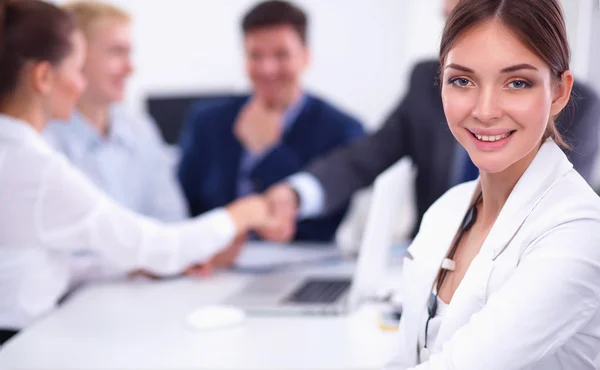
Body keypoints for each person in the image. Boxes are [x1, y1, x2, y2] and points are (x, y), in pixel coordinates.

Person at [0, 0, 278, 345]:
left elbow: (52, 264)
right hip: (20, 341)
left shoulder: (17, 151)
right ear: (43, 76)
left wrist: (137, 263)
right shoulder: (37, 166)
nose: (78, 83)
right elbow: (157, 245)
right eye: (74, 67)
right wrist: (243, 213)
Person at [261, 0, 600, 243]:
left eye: (517, 83)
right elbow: (366, 156)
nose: (485, 111)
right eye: (452, 22)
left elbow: (555, 210)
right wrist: (296, 194)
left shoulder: (581, 109)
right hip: (426, 265)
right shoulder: (427, 81)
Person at [383, 0, 600, 368]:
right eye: (462, 80)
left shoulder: (580, 231)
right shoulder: (445, 212)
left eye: (517, 83)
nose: (485, 110)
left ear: (560, 92)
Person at [177, 0, 365, 246]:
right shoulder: (206, 122)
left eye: (281, 54)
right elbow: (183, 208)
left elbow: (322, 226)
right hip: (216, 266)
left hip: (296, 263)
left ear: (305, 56)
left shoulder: (342, 129)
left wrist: (268, 151)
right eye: (256, 55)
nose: (267, 69)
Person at [43, 1, 187, 222]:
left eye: (129, 53)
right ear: (75, 55)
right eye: (117, 52)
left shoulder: (140, 130)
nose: (130, 68)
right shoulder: (43, 136)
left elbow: (171, 219)